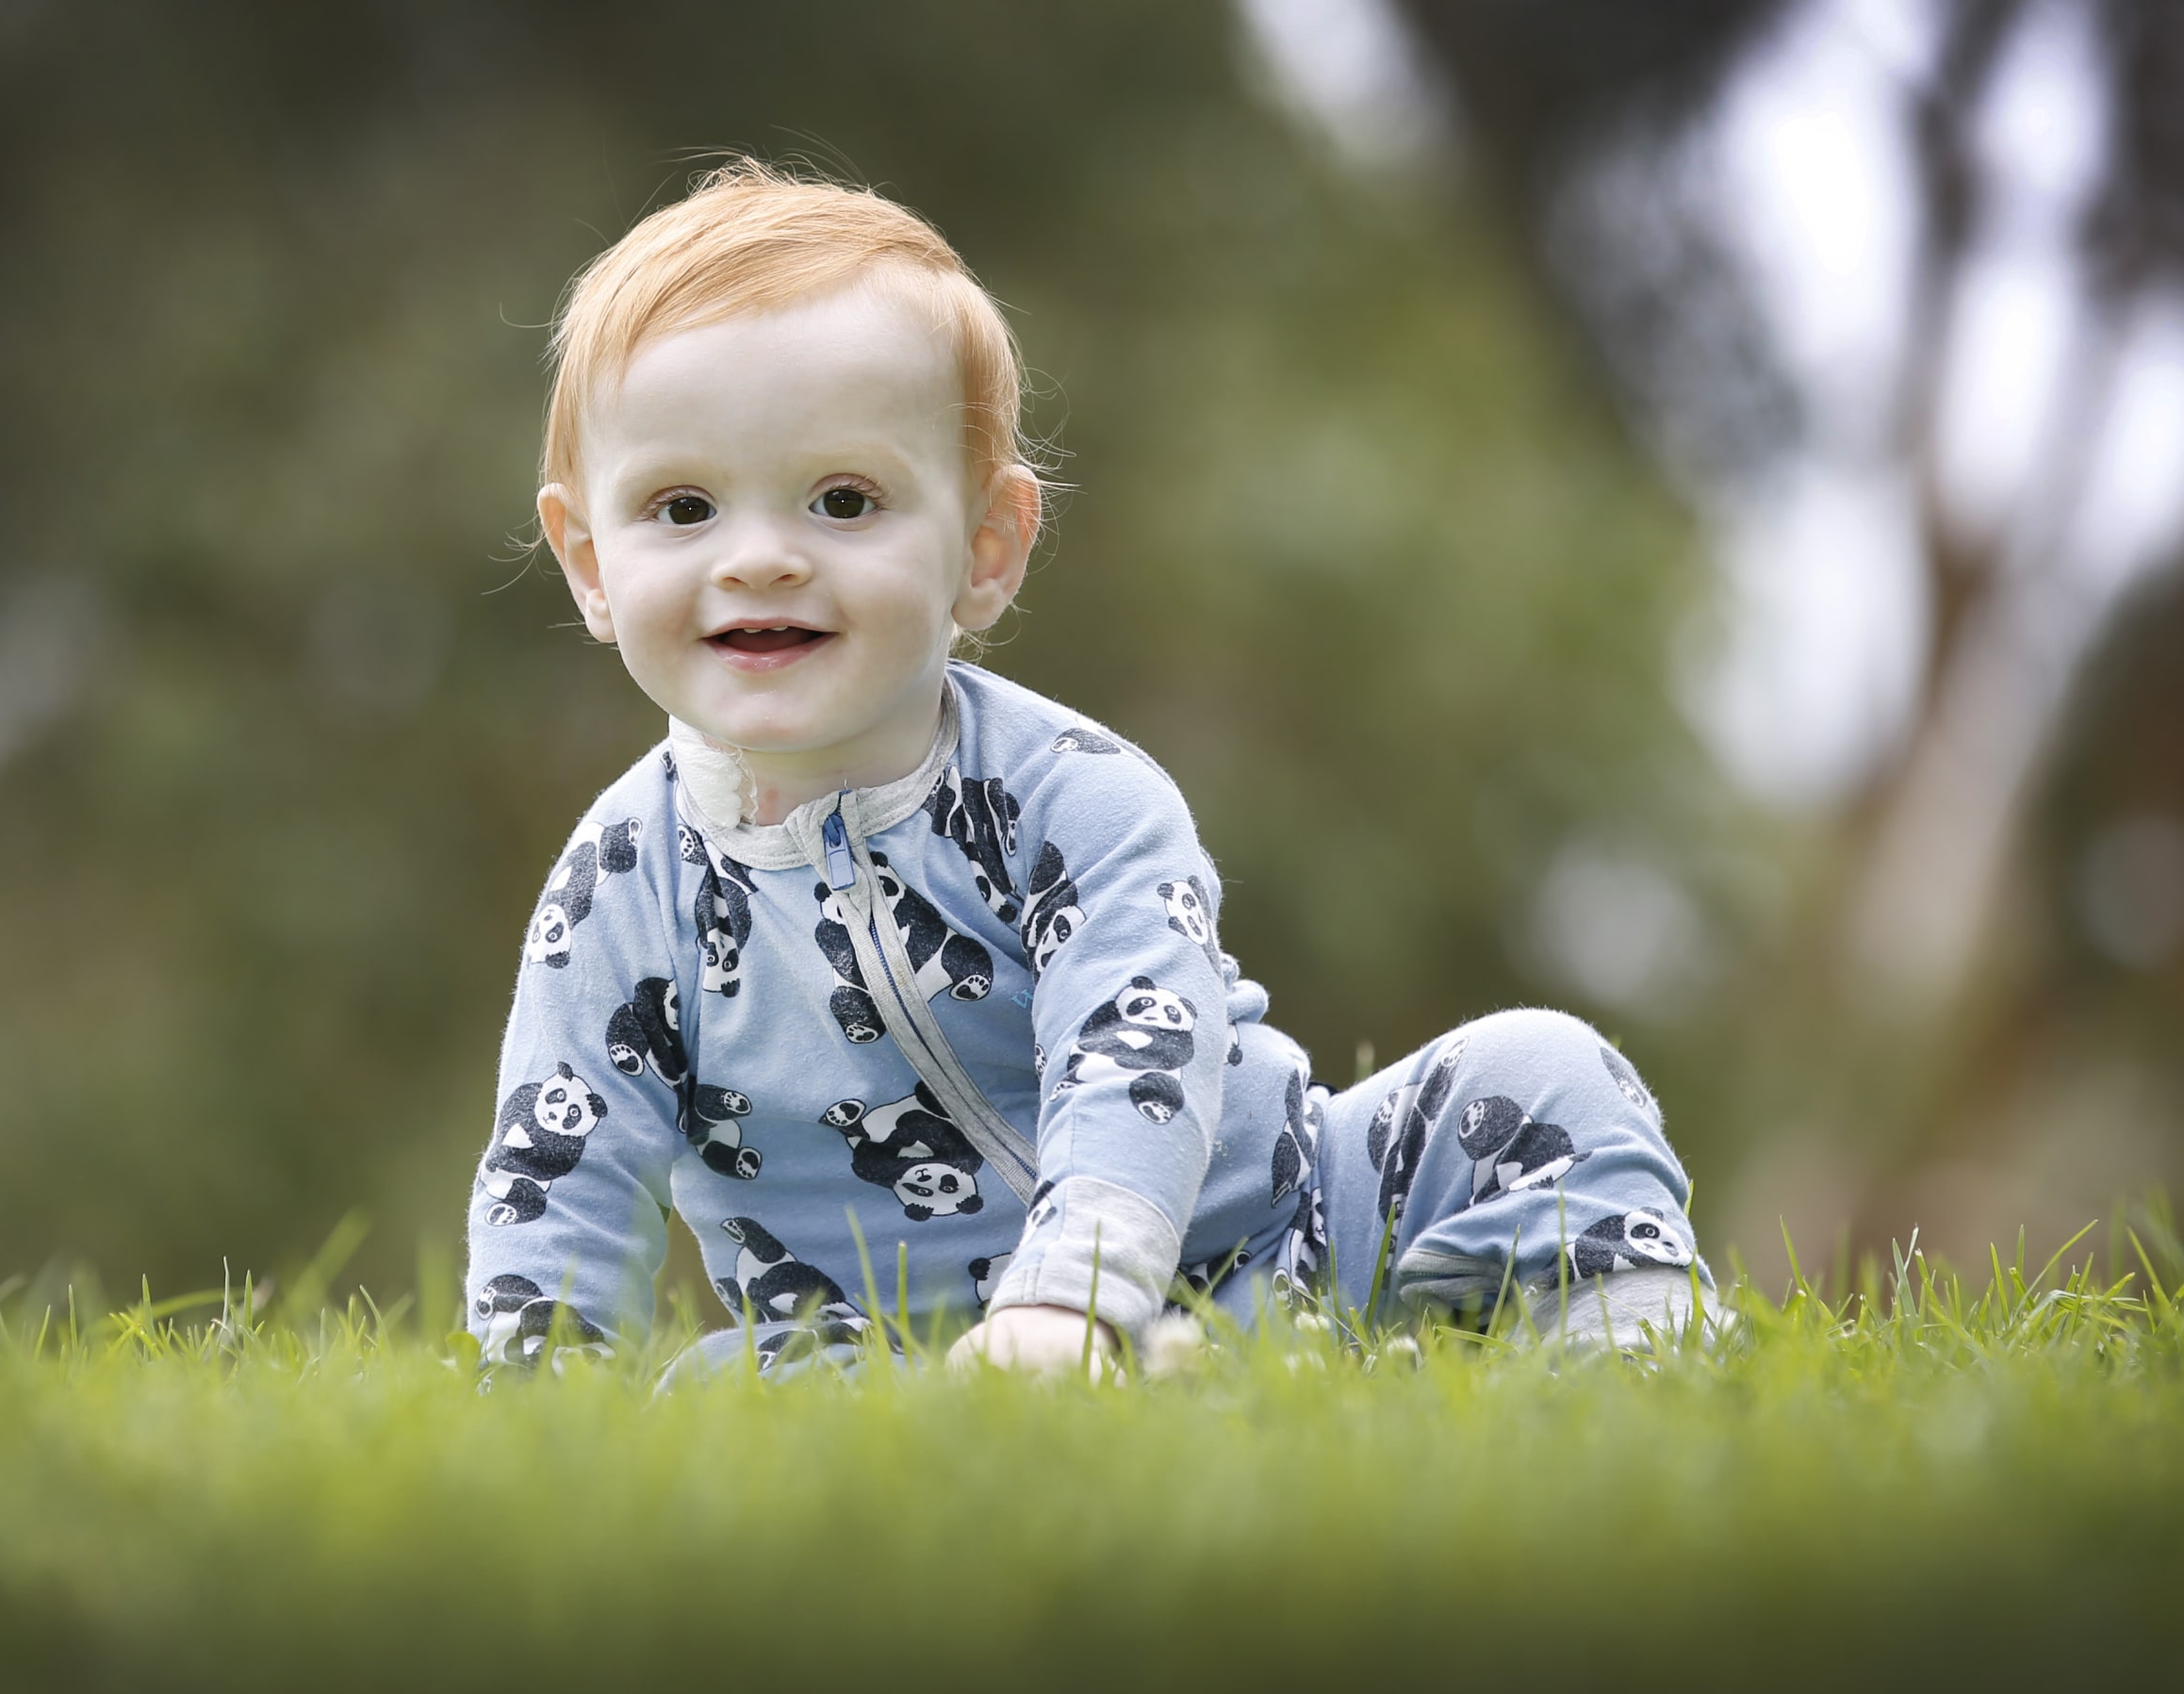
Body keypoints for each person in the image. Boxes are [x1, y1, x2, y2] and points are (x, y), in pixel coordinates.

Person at [466, 160, 1712, 1378]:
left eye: (843, 500)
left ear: (987, 547)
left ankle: (1621, 1353)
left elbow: (1137, 1050)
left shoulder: (1076, 798)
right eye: (683, 508)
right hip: (899, 1346)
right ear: (587, 559)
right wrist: (541, 1391)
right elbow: (559, 1165)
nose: (760, 559)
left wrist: (1072, 1298)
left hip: (1289, 1232)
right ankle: (1172, 1391)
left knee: (1544, 1069)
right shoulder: (619, 891)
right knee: (718, 1388)